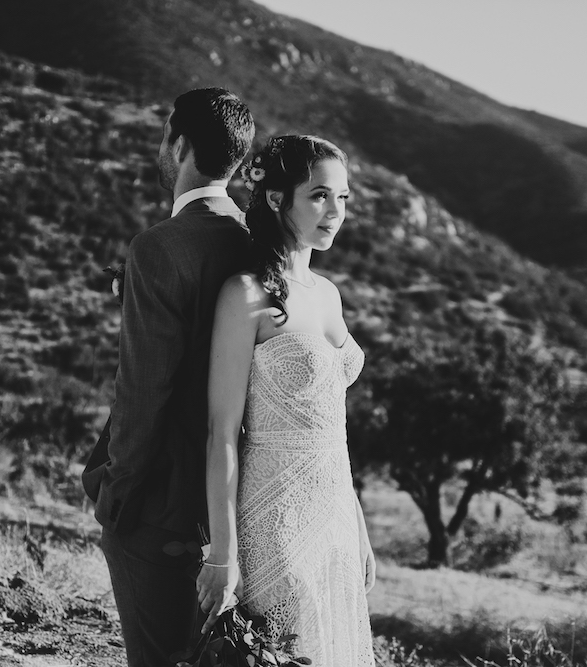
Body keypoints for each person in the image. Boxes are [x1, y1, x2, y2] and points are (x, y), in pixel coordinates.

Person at [81, 87, 255, 667]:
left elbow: (143, 390)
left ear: (178, 145)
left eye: (164, 135)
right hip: (236, 506)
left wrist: (116, 491)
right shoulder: (258, 243)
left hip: (159, 503)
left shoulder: (160, 247)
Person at [197, 135, 376, 666]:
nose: (334, 213)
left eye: (342, 199)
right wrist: (223, 555)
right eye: (319, 196)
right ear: (277, 199)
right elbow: (221, 432)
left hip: (336, 514)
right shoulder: (245, 295)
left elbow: (332, 431)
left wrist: (358, 523)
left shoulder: (328, 293)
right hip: (274, 519)